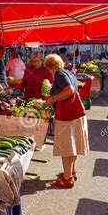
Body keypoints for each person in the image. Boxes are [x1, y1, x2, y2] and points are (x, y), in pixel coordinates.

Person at [45, 54, 89, 188]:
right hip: (76, 114)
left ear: (49, 67)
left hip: (68, 115)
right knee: (73, 144)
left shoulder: (58, 74)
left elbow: (69, 90)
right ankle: (71, 172)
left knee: (66, 147)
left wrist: (54, 99)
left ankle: (66, 178)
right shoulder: (67, 72)